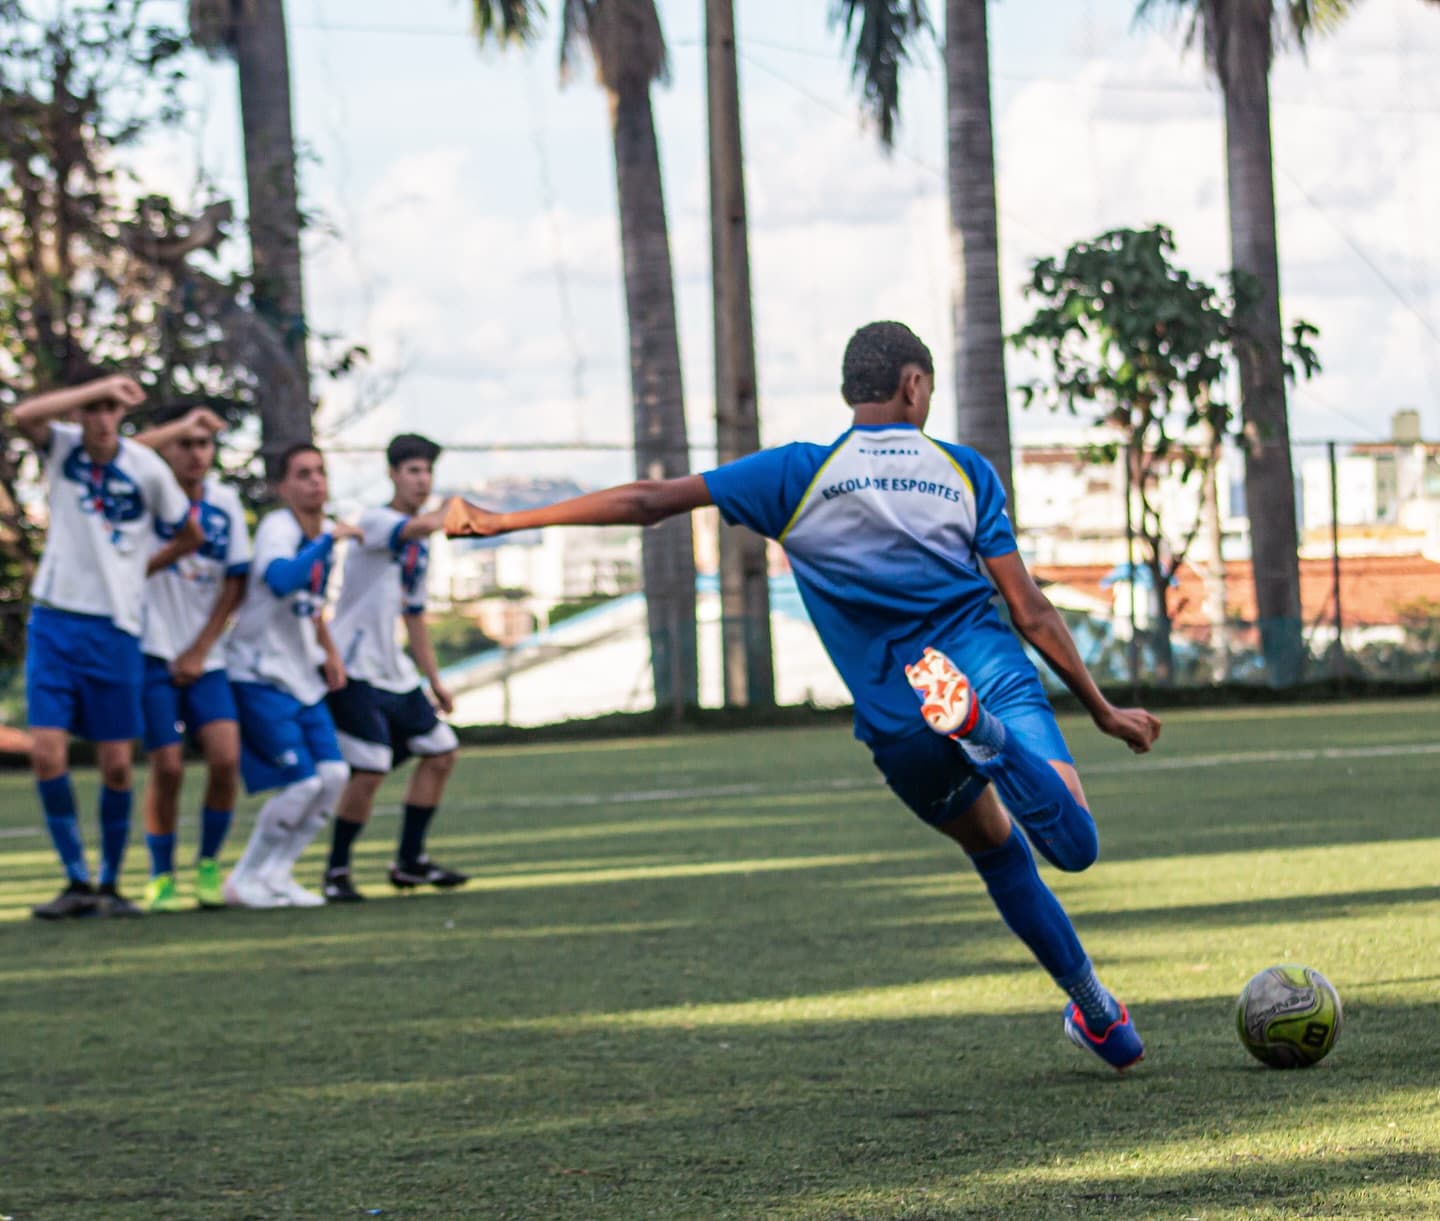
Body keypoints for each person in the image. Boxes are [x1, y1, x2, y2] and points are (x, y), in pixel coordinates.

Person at [446, 321, 1162, 1071]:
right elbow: (1030, 609)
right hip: (985, 672)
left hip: (901, 718)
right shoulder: (962, 469)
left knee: (997, 853)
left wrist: (503, 521)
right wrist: (1103, 708)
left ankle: (1102, 1014)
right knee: (1072, 844)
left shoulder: (795, 476)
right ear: (913, 384)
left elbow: (647, 501)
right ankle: (988, 736)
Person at [15, 374, 205, 919]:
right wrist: (95, 389)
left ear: (122, 415)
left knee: (118, 765)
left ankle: (112, 884)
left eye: (109, 410)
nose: (99, 419)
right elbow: (24, 416)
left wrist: (139, 570)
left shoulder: (147, 469)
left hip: (117, 630)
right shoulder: (63, 448)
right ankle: (75, 878)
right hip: (55, 622)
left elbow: (188, 533)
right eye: (91, 409)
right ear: (79, 413)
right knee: (47, 752)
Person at [322, 434, 465, 902]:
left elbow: (415, 616)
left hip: (393, 669)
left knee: (441, 749)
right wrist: (455, 515)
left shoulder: (421, 546)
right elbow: (415, 528)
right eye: (412, 471)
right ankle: (337, 872)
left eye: (427, 471)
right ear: (392, 474)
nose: (422, 480)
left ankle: (409, 862)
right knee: (371, 766)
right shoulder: (379, 521)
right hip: (354, 665)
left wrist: (434, 680)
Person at [223, 443, 355, 909]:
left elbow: (310, 604)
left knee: (335, 775)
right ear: (283, 487)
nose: (315, 481)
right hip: (259, 672)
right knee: (302, 783)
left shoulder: (322, 534)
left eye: (320, 472)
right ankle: (243, 878)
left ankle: (278, 873)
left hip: (302, 675)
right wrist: (328, 541)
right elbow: (282, 580)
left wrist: (330, 652)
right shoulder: (280, 530)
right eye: (303, 474)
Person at [134, 408, 250, 912]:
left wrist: (202, 648)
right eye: (185, 443)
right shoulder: (145, 494)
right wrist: (176, 426)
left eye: (204, 443)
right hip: (152, 651)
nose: (196, 452)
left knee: (226, 759)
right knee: (169, 768)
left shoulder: (225, 503)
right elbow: (128, 452)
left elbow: (235, 582)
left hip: (208, 658)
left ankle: (208, 865)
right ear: (169, 449)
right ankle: (162, 876)